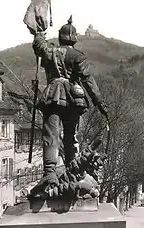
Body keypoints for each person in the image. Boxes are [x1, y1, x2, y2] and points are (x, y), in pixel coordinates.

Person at [30, 15, 108, 196]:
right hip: (73, 99)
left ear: (60, 38)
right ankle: (74, 170)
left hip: (52, 96)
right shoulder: (77, 56)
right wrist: (100, 103)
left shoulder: (51, 52)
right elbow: (89, 81)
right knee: (71, 136)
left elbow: (38, 46)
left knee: (51, 136)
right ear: (74, 39)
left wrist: (39, 32)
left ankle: (50, 173)